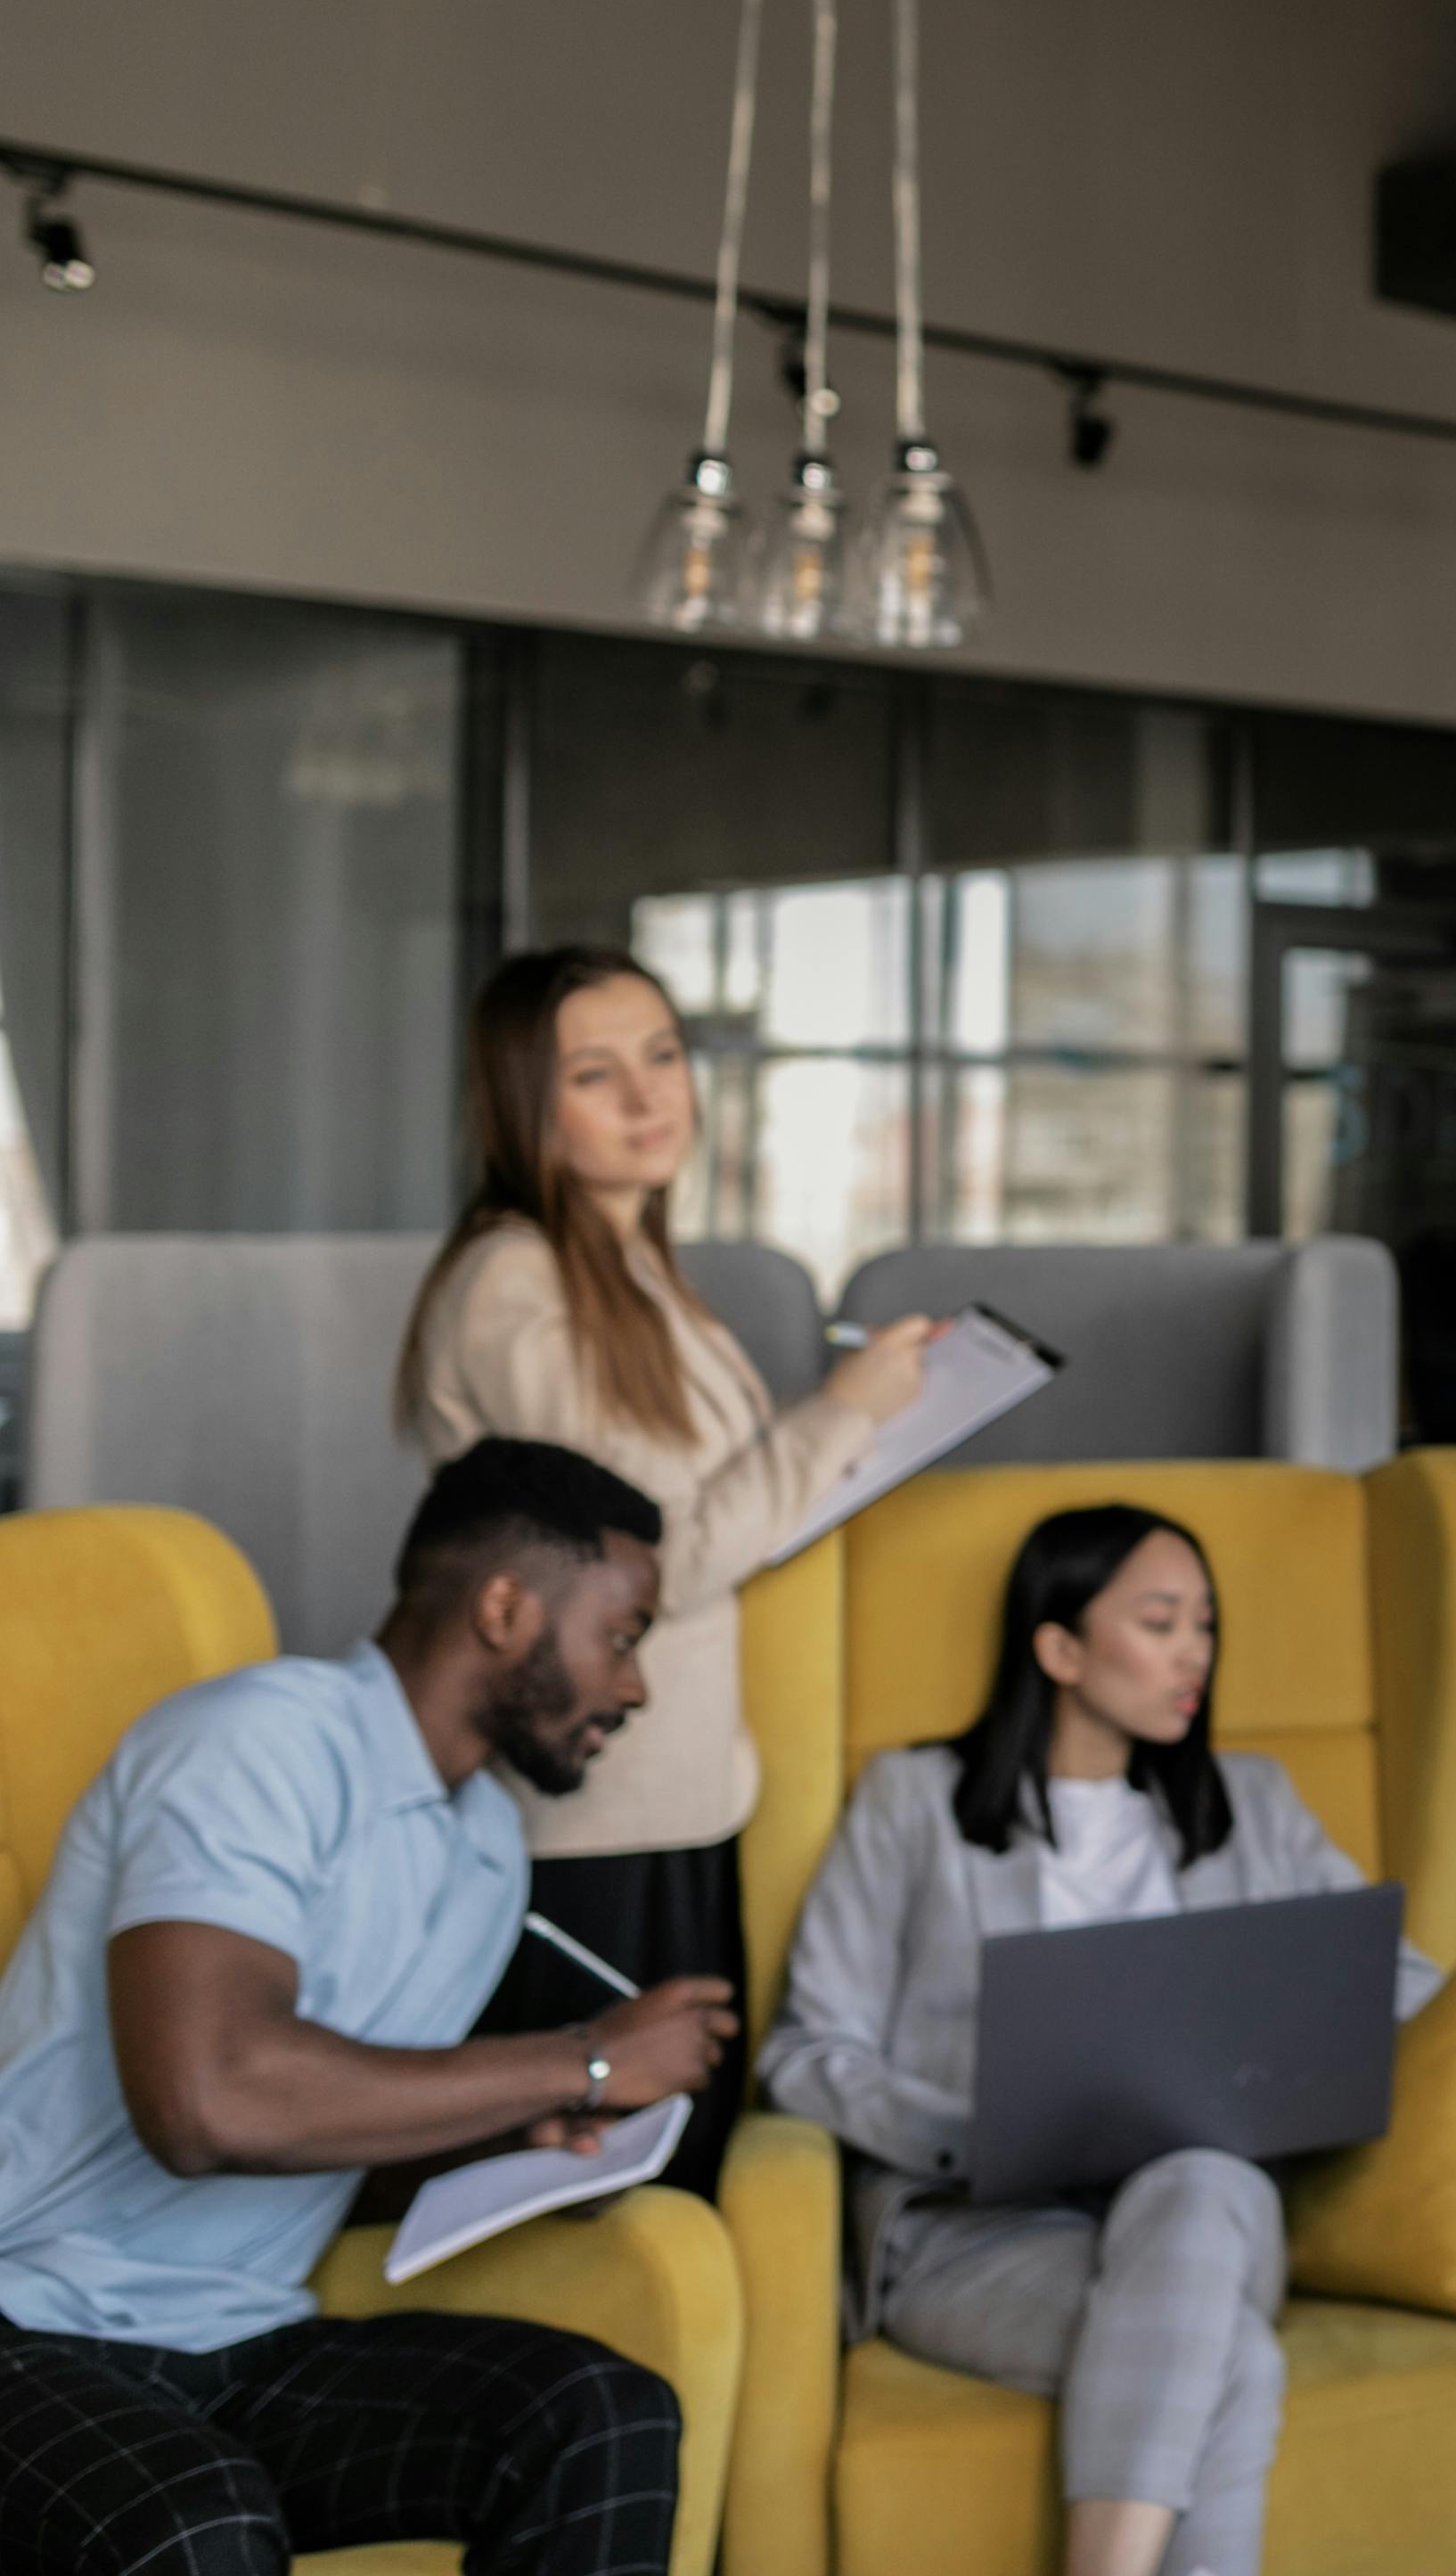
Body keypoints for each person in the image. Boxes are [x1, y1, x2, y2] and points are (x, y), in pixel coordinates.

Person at [0, 1438, 732, 2576]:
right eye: (623, 1637)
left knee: (599, 2413)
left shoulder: (486, 1845)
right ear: (504, 1607)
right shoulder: (259, 1740)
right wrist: (580, 2059)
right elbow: (206, 2105)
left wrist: (516, 2142)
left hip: (240, 2341)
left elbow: (326, 2126)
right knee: (199, 2517)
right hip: (29, 2326)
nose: (633, 1686)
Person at [761, 1505, 1436, 2576]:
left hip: (1207, 2209)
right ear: (1060, 1646)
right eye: (1160, 1621)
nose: (1194, 1654)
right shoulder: (913, 1801)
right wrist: (967, 2128)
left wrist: (1306, 2039)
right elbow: (804, 2049)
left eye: (1206, 1624)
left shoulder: (1251, 1803)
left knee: (1203, 2175)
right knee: (1233, 2358)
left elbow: (1399, 1977)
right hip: (977, 2231)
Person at [397, 941, 938, 2199]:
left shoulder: (639, 1274)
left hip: (681, 1800)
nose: (653, 1098)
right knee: (618, 2205)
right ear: (526, 1103)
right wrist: (843, 1413)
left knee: (686, 2186)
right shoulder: (518, 1282)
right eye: (597, 1073)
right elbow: (640, 1566)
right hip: (592, 1823)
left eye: (664, 1055)